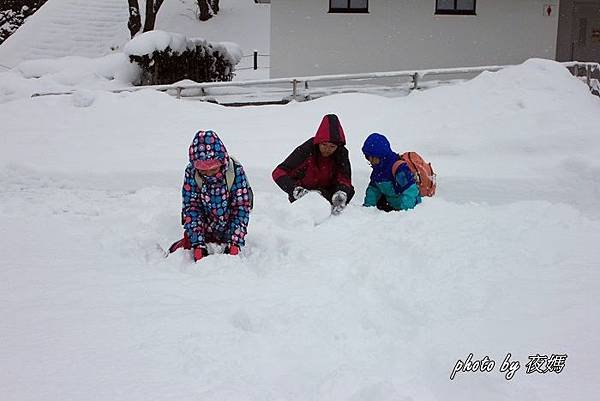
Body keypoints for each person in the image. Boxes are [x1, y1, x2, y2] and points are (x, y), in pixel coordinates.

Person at [169, 130, 253, 262]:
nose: (209, 174)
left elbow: (241, 208)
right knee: (181, 250)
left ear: (222, 161)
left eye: (213, 169)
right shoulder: (192, 173)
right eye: (203, 170)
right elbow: (192, 207)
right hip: (203, 227)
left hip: (229, 226)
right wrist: (197, 242)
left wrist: (235, 242)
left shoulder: (235, 171)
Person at [272, 114, 355, 215]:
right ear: (318, 142)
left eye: (332, 146)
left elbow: (345, 179)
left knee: (349, 191)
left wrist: (341, 192)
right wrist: (295, 190)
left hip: (328, 192)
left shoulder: (341, 153)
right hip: (305, 194)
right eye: (324, 145)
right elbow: (278, 172)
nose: (327, 149)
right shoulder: (307, 150)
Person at [362, 133, 421, 212]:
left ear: (380, 155)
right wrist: (367, 208)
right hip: (392, 206)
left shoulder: (399, 168)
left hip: (409, 208)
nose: (371, 162)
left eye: (373, 158)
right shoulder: (377, 170)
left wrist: (405, 213)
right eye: (368, 158)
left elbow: (410, 191)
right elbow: (374, 190)